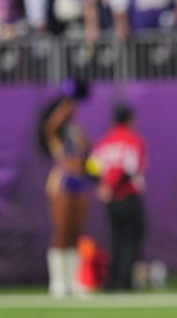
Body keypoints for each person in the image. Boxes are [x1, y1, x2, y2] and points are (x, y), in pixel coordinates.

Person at [38, 79, 91, 298]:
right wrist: (65, 104)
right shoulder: (54, 133)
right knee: (61, 230)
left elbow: (88, 149)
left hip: (79, 179)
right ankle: (58, 282)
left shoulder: (74, 131)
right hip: (62, 179)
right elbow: (50, 126)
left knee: (75, 231)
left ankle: (73, 281)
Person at [87, 104, 148, 292]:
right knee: (131, 239)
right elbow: (130, 169)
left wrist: (102, 185)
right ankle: (124, 281)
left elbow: (91, 167)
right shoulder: (133, 140)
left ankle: (112, 282)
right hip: (127, 195)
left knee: (115, 239)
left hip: (111, 199)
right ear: (130, 119)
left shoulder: (104, 142)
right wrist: (112, 186)